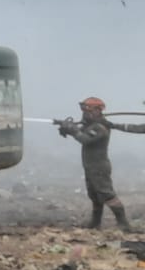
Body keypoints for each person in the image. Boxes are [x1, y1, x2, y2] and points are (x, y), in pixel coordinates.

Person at [56, 97, 144, 232]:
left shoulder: (100, 127)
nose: (85, 114)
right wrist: (67, 128)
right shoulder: (92, 126)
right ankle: (95, 222)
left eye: (88, 111)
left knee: (107, 194)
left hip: (99, 167)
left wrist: (73, 131)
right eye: (84, 111)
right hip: (90, 166)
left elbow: (85, 139)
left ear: (98, 111)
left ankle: (124, 224)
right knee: (94, 195)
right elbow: (81, 131)